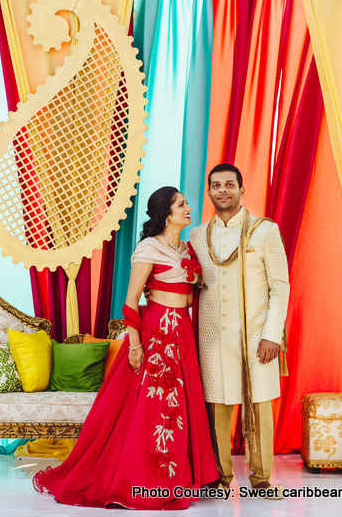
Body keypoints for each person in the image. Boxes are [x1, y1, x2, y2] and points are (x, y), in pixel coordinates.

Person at [33, 186, 218, 509]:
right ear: (166, 213)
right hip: (156, 333)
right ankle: (143, 479)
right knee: (151, 409)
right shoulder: (149, 248)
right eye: (181, 204)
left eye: (187, 203)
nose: (188, 208)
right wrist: (134, 345)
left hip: (182, 334)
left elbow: (192, 295)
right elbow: (131, 301)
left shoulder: (186, 249)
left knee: (178, 407)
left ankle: (175, 478)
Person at [189, 163, 289, 499]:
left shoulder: (264, 230)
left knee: (258, 405)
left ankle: (260, 478)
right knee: (217, 407)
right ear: (209, 192)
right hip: (212, 337)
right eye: (215, 185)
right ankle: (220, 477)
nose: (222, 191)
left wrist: (273, 334)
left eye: (229, 184)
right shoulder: (197, 235)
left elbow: (281, 286)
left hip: (257, 336)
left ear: (242, 190)